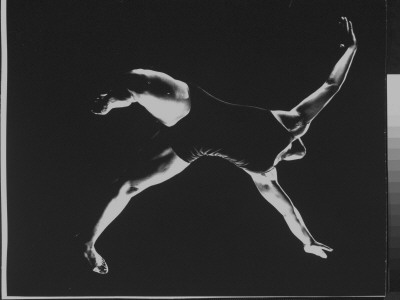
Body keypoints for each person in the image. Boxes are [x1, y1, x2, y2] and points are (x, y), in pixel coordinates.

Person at [83, 17, 357, 274]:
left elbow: (288, 212)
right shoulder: (292, 126)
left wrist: (307, 241)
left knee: (126, 186)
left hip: (190, 145)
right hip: (197, 109)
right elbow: (331, 85)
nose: (299, 154)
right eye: (300, 150)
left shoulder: (265, 173)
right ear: (297, 144)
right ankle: (113, 100)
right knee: (138, 81)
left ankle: (88, 246)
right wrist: (350, 50)